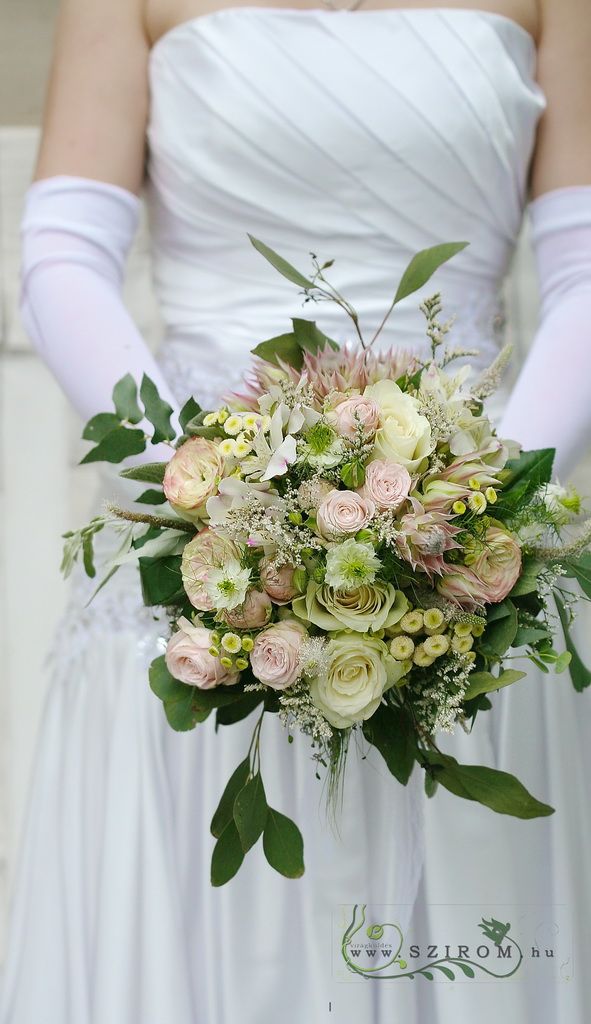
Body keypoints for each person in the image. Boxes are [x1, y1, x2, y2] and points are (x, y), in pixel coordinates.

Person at [1, 1, 590, 1021]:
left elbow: (587, 269)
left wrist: (482, 510)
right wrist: (213, 495)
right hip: (197, 562)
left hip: (468, 566)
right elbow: (62, 253)